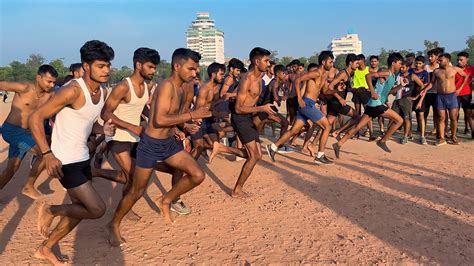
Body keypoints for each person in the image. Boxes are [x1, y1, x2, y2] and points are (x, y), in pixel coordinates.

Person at [107, 48, 212, 247]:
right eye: (191, 69)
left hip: (168, 144)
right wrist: (192, 115)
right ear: (177, 66)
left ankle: (166, 200)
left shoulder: (182, 88)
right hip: (151, 145)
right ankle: (113, 224)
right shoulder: (166, 86)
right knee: (136, 191)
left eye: (196, 69)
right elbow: (159, 118)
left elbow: (172, 117)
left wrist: (183, 125)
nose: (194, 73)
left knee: (197, 175)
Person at [29, 40, 118, 265]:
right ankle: (51, 209)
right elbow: (35, 117)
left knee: (79, 210)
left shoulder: (102, 91)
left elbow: (87, 122)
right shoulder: (72, 91)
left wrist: (102, 129)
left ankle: (45, 249)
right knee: (96, 209)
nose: (106, 70)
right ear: (86, 66)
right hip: (64, 159)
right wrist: (47, 154)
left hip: (82, 157)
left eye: (108, 65)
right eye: (101, 66)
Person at [101, 47, 160, 221]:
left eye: (154, 67)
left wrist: (156, 122)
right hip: (117, 137)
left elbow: (141, 109)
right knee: (134, 175)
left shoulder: (146, 86)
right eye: (150, 67)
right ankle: (96, 172)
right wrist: (131, 127)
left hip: (135, 138)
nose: (153, 71)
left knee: (132, 177)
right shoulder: (123, 87)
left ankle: (125, 206)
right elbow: (105, 113)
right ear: (138, 65)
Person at [208, 47, 275, 197]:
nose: (268, 63)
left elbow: (242, 97)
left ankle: (221, 148)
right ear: (257, 62)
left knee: (257, 155)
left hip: (248, 117)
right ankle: (237, 190)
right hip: (241, 118)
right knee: (253, 157)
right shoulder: (247, 79)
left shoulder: (259, 78)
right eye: (266, 60)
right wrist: (261, 108)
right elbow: (238, 108)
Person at [0, 64, 58, 199]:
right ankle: (29, 187)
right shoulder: (24, 87)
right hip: (12, 130)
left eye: (54, 82)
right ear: (38, 78)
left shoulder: (51, 95)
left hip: (27, 133)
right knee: (45, 154)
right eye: (49, 81)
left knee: (11, 169)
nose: (51, 85)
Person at [332, 53, 406, 157]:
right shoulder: (386, 72)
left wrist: (400, 86)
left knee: (358, 126)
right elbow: (368, 75)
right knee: (399, 120)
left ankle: (338, 144)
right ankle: (383, 141)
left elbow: (389, 91)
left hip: (372, 105)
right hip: (376, 105)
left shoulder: (393, 76)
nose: (401, 65)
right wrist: (372, 91)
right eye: (400, 63)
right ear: (393, 63)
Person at [266, 55, 333, 164]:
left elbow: (325, 91)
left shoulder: (324, 75)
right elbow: (297, 81)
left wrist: (337, 91)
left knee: (294, 130)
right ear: (323, 62)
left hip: (309, 104)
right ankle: (320, 155)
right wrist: (300, 99)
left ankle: (273, 147)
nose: (332, 64)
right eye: (330, 62)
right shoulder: (315, 73)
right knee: (327, 126)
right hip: (307, 104)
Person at [430, 53, 469, 145]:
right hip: (440, 96)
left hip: (451, 96)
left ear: (447, 60)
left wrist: (459, 88)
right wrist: (424, 89)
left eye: (440, 60)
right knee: (441, 118)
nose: (438, 62)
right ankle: (442, 138)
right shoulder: (436, 71)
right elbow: (432, 83)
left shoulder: (455, 69)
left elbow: (465, 76)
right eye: (438, 60)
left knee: (453, 118)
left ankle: (453, 137)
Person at [189, 62, 225, 159]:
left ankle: (195, 144)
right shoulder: (204, 89)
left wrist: (220, 99)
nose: (222, 77)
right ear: (213, 75)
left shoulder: (216, 88)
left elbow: (212, 104)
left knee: (219, 136)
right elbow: (198, 110)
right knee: (199, 148)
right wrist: (216, 114)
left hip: (207, 118)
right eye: (221, 74)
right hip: (197, 120)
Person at [324, 53, 361, 139]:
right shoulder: (343, 73)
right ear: (350, 63)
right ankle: (338, 132)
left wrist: (354, 90)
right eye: (357, 63)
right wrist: (340, 98)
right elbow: (330, 86)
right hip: (337, 102)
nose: (358, 65)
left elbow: (343, 88)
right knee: (357, 117)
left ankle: (312, 144)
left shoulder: (348, 74)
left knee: (326, 125)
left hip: (335, 102)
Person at [391, 60, 427, 144]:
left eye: (403, 67)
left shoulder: (412, 76)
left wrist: (416, 97)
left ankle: (405, 136)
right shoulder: (397, 75)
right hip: (397, 99)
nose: (401, 68)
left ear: (408, 68)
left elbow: (422, 86)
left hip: (406, 100)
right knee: (393, 117)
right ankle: (389, 134)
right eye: (400, 66)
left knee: (407, 118)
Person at [351, 54, 374, 139]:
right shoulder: (355, 70)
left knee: (368, 113)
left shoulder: (369, 69)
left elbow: (377, 78)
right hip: (356, 92)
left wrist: (372, 89)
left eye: (358, 61)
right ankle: (356, 133)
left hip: (366, 92)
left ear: (362, 60)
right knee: (357, 113)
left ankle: (371, 133)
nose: (357, 62)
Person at [410, 56, 430, 144]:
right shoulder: (410, 71)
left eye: (420, 64)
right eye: (416, 63)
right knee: (408, 116)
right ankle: (408, 135)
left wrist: (420, 100)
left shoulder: (425, 73)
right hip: (410, 97)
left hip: (420, 98)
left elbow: (424, 88)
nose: (418, 65)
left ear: (423, 64)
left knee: (421, 116)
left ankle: (422, 136)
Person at [455, 51, 473, 138]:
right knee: (455, 113)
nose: (459, 62)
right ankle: (455, 130)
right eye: (458, 60)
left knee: (468, 114)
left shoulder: (471, 69)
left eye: (461, 60)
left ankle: (471, 131)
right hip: (455, 94)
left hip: (466, 94)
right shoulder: (454, 69)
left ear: (467, 59)